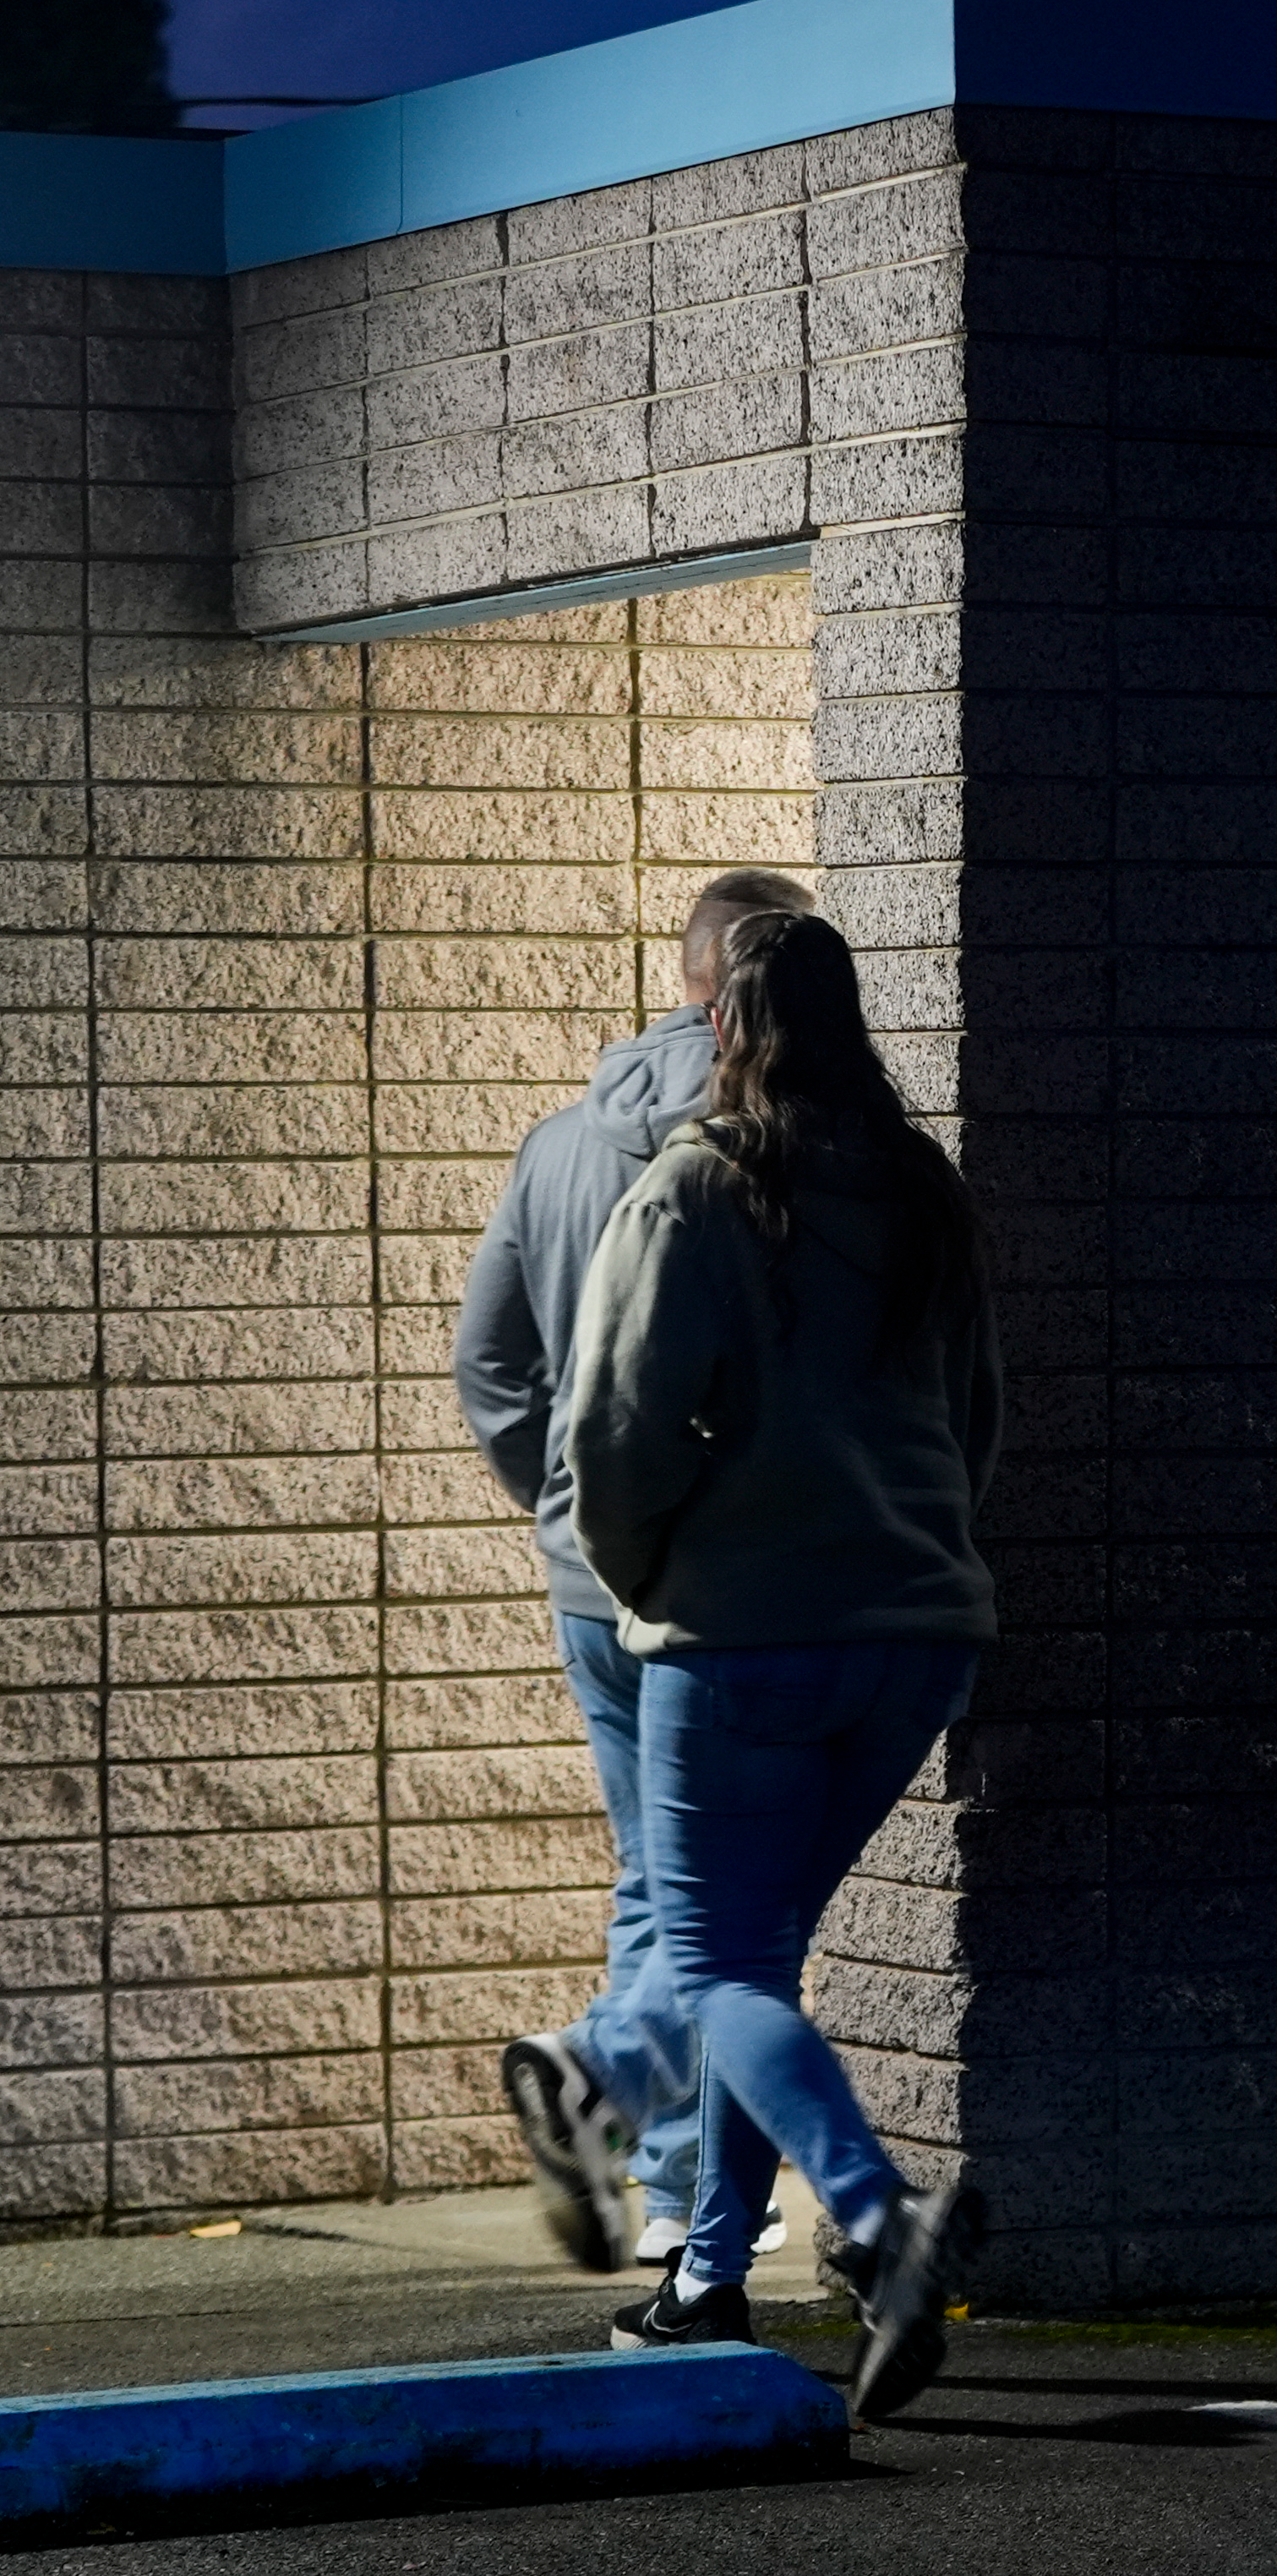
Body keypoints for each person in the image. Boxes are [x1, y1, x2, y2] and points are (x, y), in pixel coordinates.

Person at [564, 907, 1001, 2418]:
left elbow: (612, 1434)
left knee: (720, 1961)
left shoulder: (701, 1188)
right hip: (916, 1638)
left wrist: (652, 1581)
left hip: (740, 1639)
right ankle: (707, 2282)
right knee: (762, 1964)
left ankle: (879, 2228)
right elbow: (976, 1416)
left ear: (726, 1024)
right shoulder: (924, 1188)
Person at [465, 866, 817, 2273]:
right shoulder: (776, 1146)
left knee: (658, 1877)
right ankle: (638, 2127)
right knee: (735, 1894)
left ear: (684, 978)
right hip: (723, 1586)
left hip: (587, 1579)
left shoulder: (557, 1143)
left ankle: (668, 2185)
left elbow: (490, 1361)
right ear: (765, 991)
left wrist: (566, 1504)